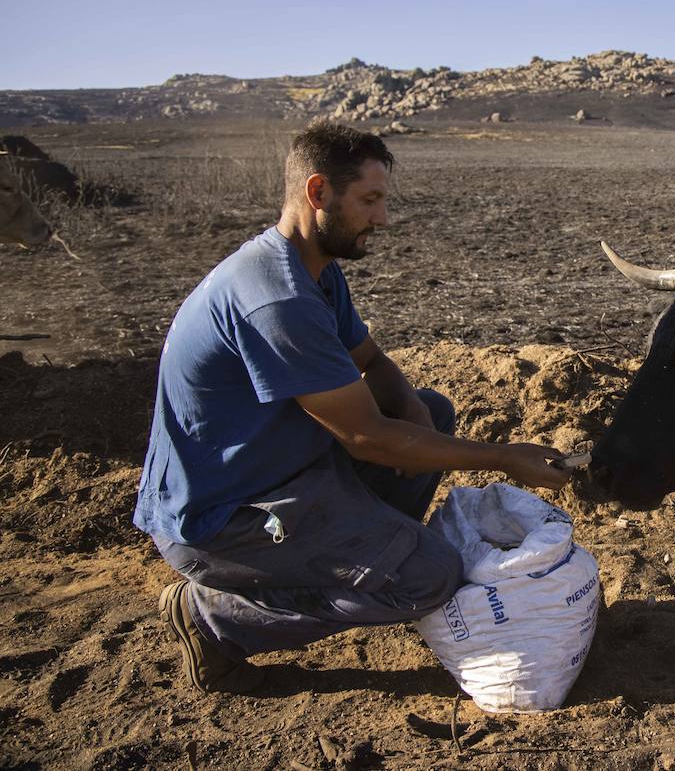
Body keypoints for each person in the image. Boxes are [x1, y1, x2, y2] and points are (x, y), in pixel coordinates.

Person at [134, 122, 570, 694]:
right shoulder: (276, 299)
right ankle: (213, 619)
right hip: (224, 520)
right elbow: (365, 437)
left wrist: (413, 417)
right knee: (430, 579)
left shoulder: (314, 272)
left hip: (284, 472)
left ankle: (371, 552)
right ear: (318, 193)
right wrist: (506, 456)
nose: (383, 218)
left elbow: (374, 362)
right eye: (370, 200)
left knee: (430, 413)